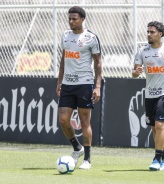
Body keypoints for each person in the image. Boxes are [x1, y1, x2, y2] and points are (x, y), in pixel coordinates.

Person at [132, 21, 164, 171]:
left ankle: (157, 158)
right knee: (154, 128)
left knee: (160, 124)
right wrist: (136, 72)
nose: (148, 34)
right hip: (150, 94)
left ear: (160, 34)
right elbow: (134, 73)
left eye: (152, 32)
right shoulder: (142, 51)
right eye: (147, 32)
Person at [56, 6, 102, 170]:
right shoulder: (65, 36)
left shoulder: (91, 37)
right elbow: (63, 60)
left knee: (84, 122)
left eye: (74, 18)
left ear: (82, 19)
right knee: (63, 120)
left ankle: (87, 159)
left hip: (85, 84)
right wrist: (59, 82)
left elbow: (98, 63)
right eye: (69, 18)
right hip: (68, 84)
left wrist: (97, 86)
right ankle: (77, 147)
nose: (71, 21)